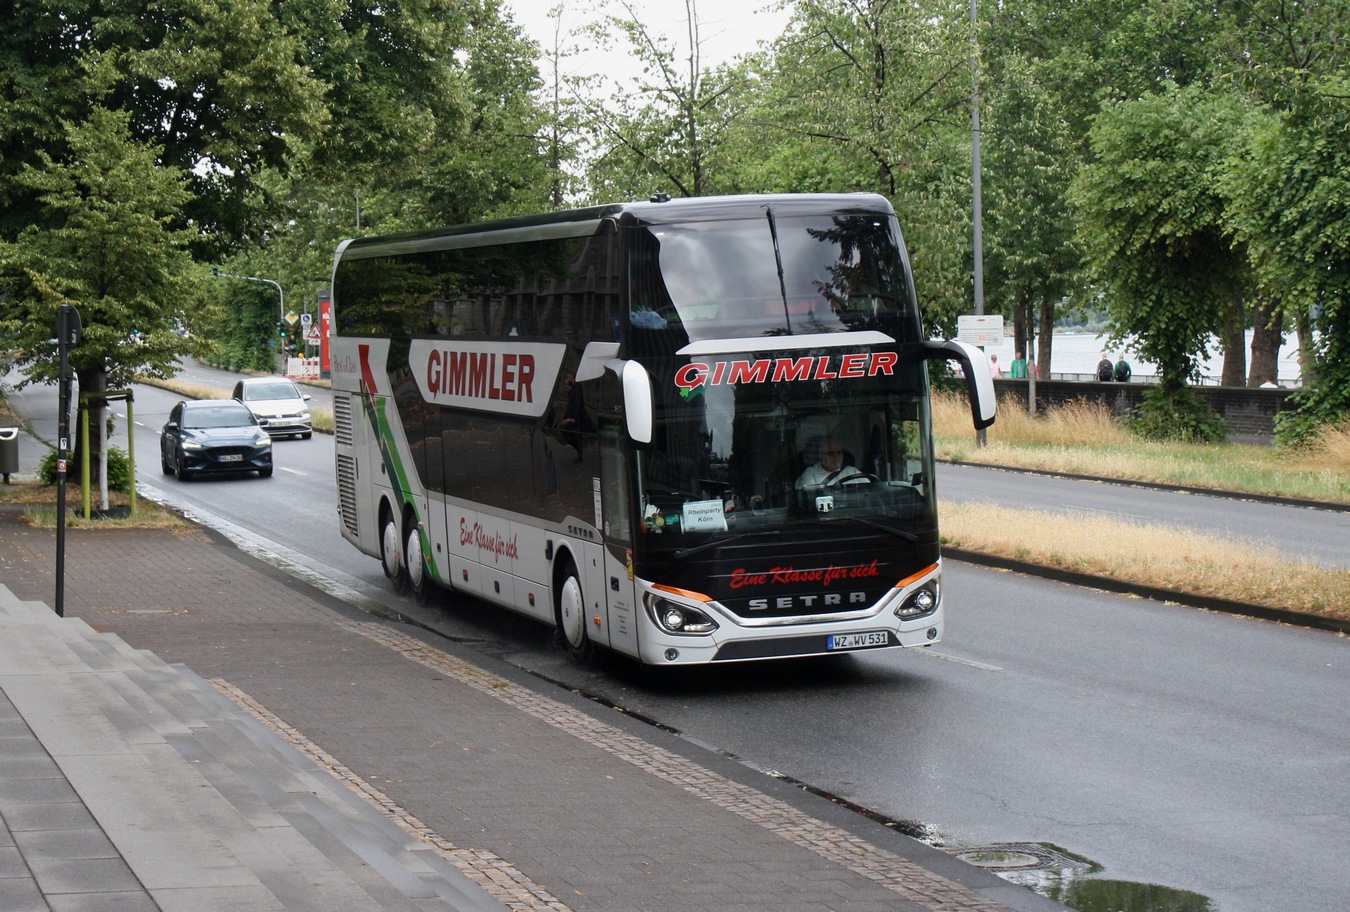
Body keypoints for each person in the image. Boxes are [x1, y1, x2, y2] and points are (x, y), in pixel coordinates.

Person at [795, 436, 864, 489]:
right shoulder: (811, 474)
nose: (836, 457)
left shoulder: (853, 472)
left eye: (839, 453)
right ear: (821, 455)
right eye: (831, 454)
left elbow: (868, 493)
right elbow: (806, 500)